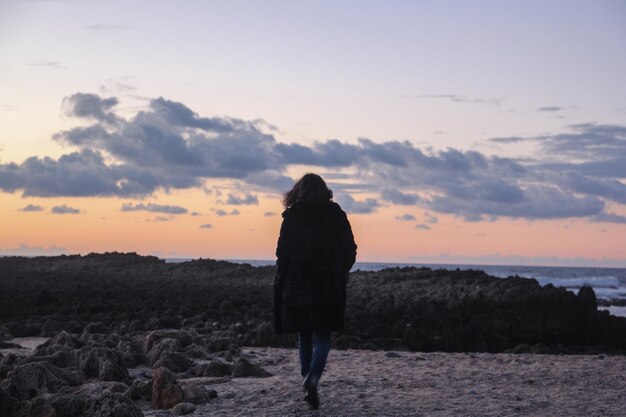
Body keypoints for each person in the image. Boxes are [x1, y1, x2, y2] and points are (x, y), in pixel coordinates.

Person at [274, 173, 357, 410]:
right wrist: (340, 271)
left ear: (299, 191)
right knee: (323, 336)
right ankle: (312, 378)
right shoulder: (336, 215)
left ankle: (307, 379)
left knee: (304, 336)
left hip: (297, 284)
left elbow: (283, 253)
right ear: (325, 191)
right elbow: (350, 249)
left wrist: (283, 277)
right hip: (329, 284)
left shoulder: (292, 216)